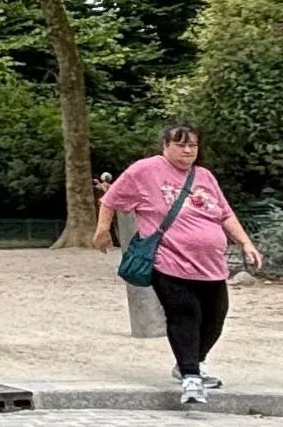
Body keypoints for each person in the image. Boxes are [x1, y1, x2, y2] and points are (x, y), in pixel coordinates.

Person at [95, 122, 263, 406]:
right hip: (168, 259)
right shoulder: (145, 170)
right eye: (181, 144)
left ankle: (191, 361)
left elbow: (224, 213)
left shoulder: (205, 176)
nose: (188, 150)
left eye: (193, 145)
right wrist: (102, 230)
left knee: (214, 318)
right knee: (185, 314)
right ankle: (191, 377)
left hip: (210, 265)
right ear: (165, 145)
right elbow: (110, 199)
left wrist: (246, 242)